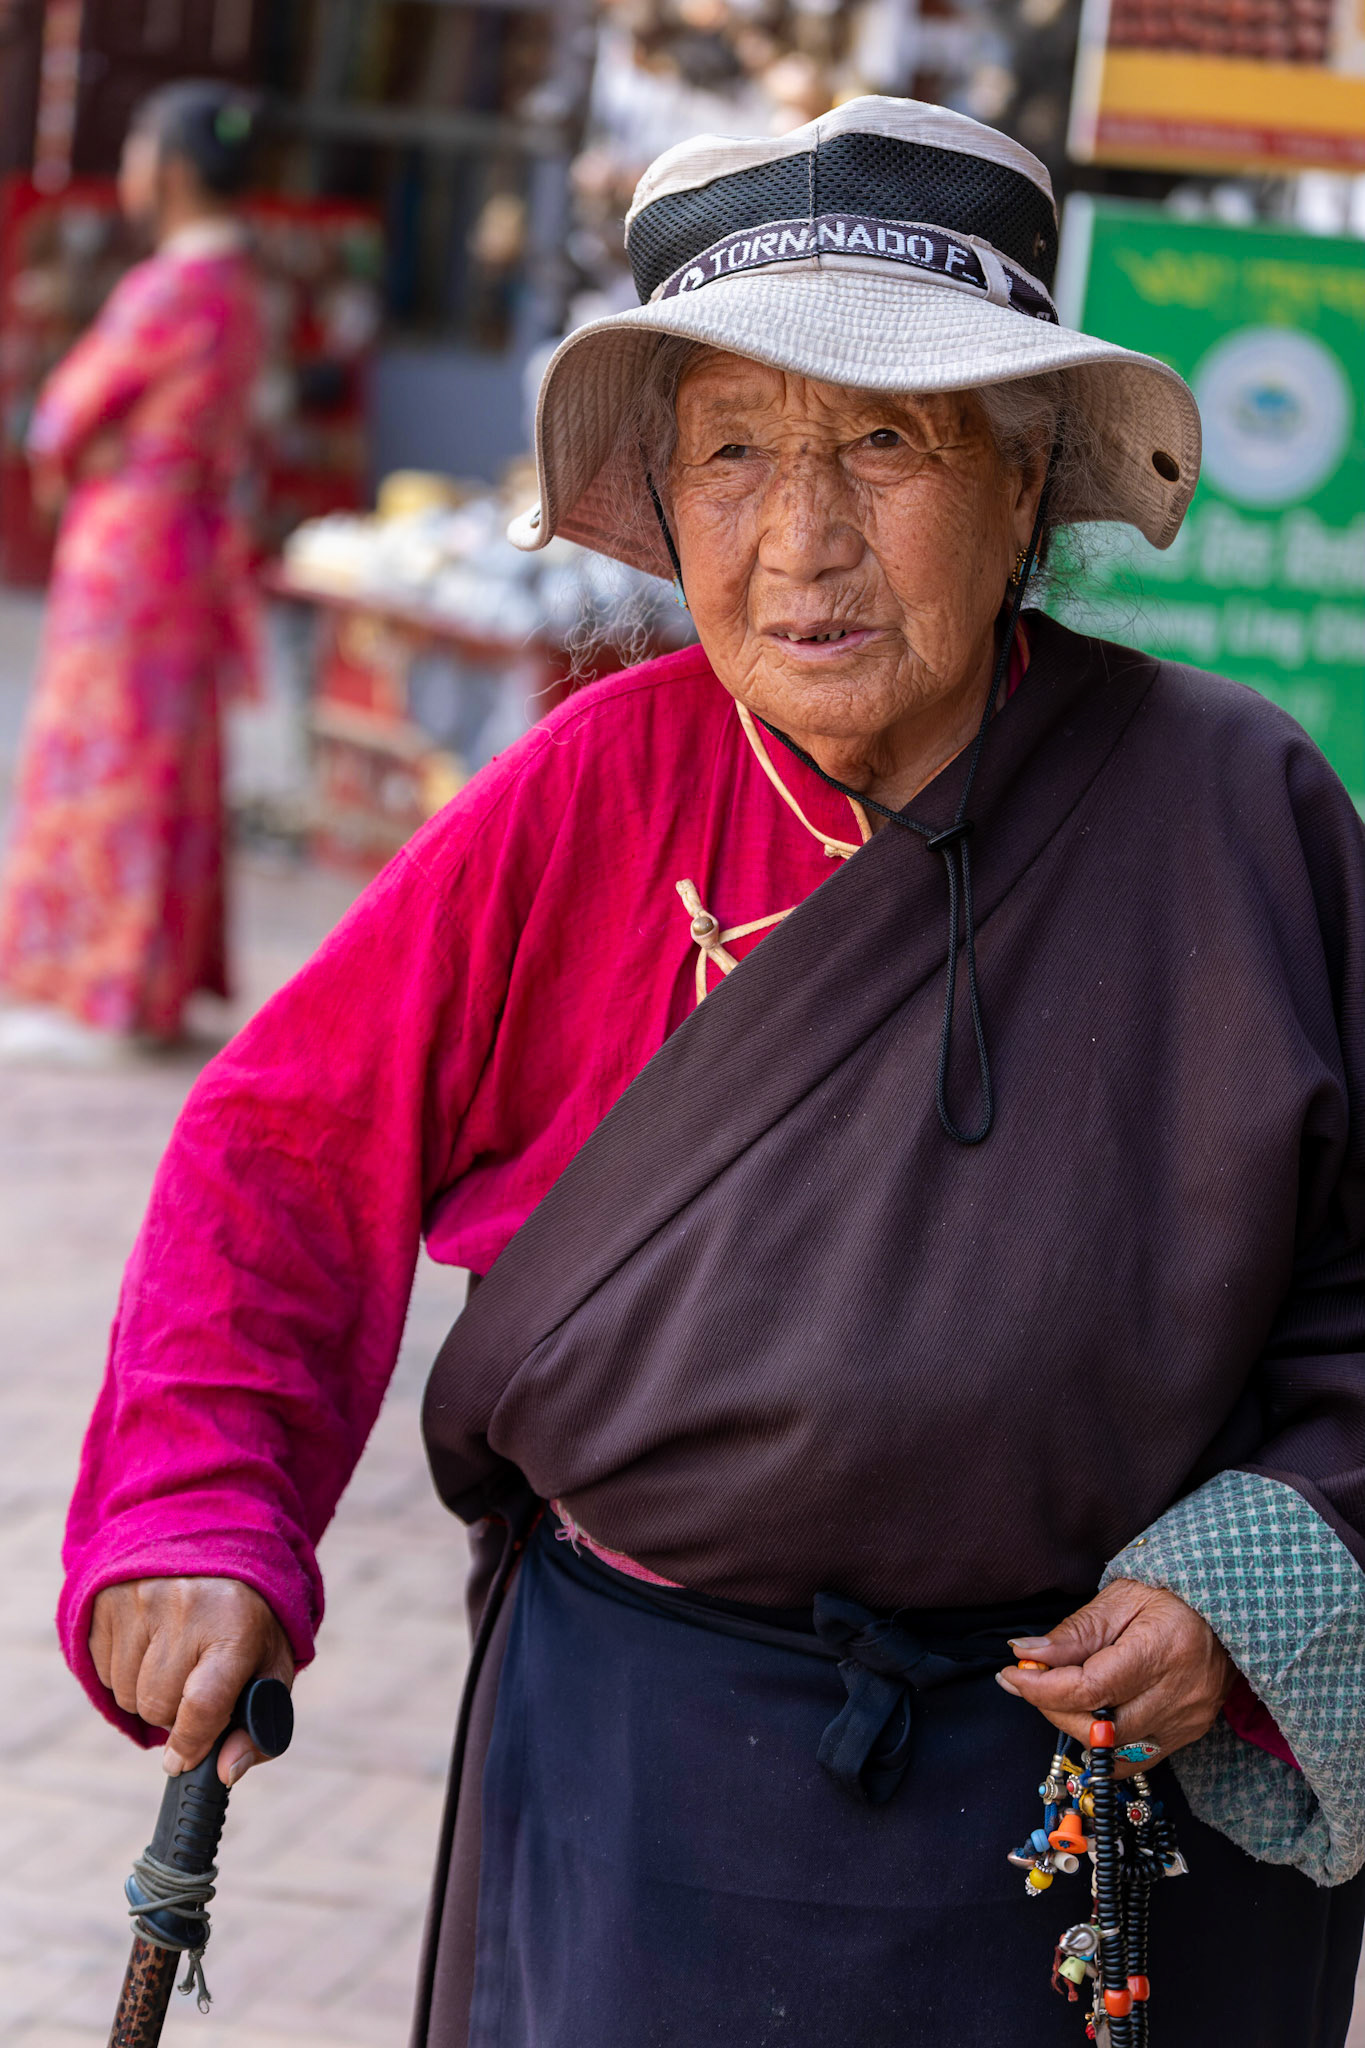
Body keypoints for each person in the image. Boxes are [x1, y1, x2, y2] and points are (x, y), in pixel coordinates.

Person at [59, 98, 1365, 2047]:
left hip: (1096, 1819)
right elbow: (279, 1158)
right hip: (655, 1791)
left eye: (882, 441)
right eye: (733, 452)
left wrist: (1252, 1587)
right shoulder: (588, 795)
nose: (802, 538)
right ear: (661, 505)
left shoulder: (1236, 810)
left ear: (1022, 483)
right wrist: (197, 1514)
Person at [0, 81, 264, 1063]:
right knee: (170, 756)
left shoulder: (166, 288)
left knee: (109, 757)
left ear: (173, 171)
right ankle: (151, 978)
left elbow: (61, 415)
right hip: (191, 544)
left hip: (132, 549)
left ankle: (104, 983)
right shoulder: (242, 288)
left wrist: (92, 453)